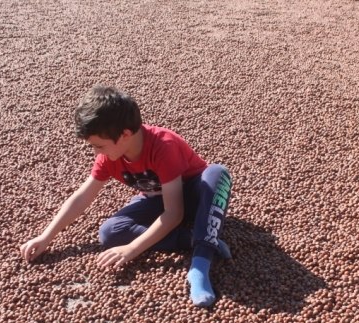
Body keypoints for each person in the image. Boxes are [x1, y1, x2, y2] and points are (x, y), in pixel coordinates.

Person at [19, 85, 232, 307]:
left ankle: (200, 264)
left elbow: (174, 213)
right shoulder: (109, 156)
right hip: (158, 199)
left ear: (125, 135)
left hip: (196, 195)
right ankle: (193, 237)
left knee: (217, 174)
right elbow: (82, 197)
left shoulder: (163, 146)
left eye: (99, 145)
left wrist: (133, 249)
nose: (96, 152)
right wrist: (46, 236)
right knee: (110, 232)